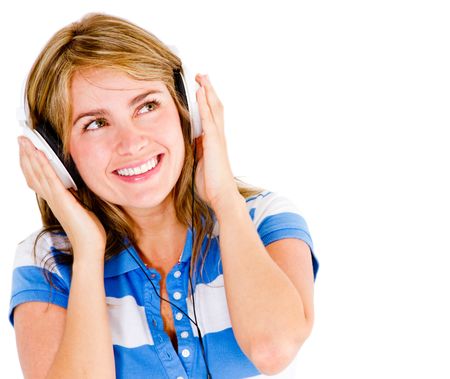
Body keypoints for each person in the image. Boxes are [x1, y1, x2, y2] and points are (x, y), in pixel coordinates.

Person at [10, 13, 319, 379]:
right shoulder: (48, 262)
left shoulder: (264, 218)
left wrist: (223, 199)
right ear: (57, 155)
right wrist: (88, 252)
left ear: (186, 110)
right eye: (95, 123)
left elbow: (273, 348)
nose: (132, 143)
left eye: (147, 106)